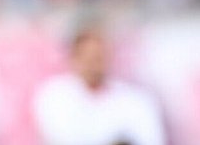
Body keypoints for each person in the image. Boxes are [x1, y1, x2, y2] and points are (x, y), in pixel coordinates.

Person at [33, 25, 165, 145]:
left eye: (97, 57)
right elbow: (61, 138)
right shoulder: (55, 95)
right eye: (86, 57)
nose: (92, 65)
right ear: (73, 58)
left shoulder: (136, 100)